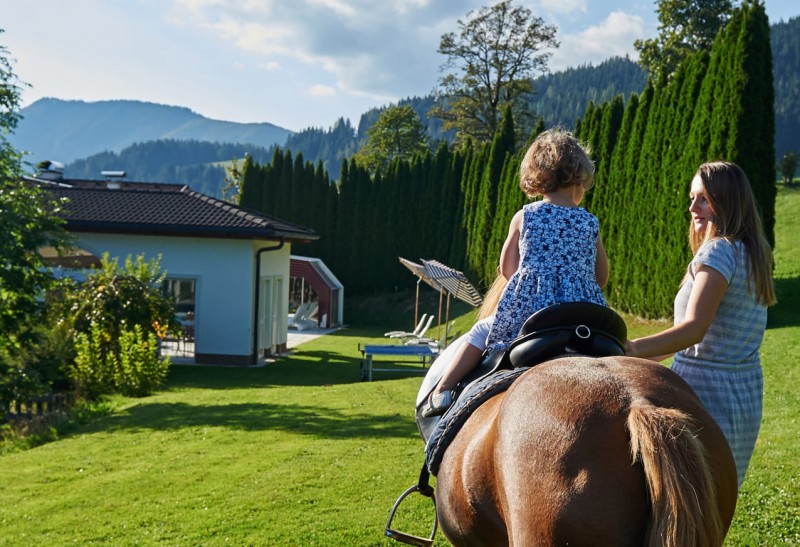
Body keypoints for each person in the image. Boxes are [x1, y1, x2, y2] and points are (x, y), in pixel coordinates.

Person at [424, 127, 609, 416]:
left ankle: (443, 389)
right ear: (581, 177)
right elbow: (601, 278)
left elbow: (508, 269)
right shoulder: (589, 222)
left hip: (534, 315)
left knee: (481, 331)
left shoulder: (526, 215)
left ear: (538, 176)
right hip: (584, 315)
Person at [625, 161, 776, 488]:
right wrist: (636, 361)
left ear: (727, 201)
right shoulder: (752, 253)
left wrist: (629, 349)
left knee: (685, 495)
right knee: (717, 497)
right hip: (744, 391)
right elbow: (696, 341)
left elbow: (694, 330)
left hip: (704, 391)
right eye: (692, 198)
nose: (693, 208)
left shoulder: (719, 252)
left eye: (704, 199)